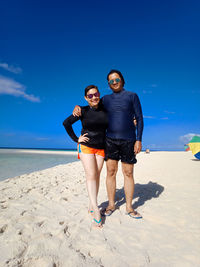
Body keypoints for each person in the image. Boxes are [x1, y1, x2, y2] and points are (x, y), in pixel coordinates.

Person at [73, 70, 143, 219]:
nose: (114, 82)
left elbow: (140, 118)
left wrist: (139, 139)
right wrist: (77, 107)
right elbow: (92, 105)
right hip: (109, 140)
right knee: (111, 172)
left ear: (122, 80)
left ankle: (129, 207)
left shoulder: (132, 96)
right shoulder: (105, 99)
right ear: (109, 84)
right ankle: (111, 204)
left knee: (128, 173)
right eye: (111, 81)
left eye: (116, 79)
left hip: (129, 139)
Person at [63, 85, 108, 228]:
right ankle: (95, 209)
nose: (93, 97)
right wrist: (76, 139)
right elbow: (66, 123)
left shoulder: (105, 109)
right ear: (86, 98)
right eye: (90, 96)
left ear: (99, 94)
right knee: (90, 175)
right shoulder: (82, 110)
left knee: (97, 175)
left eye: (95, 94)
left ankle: (91, 203)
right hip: (86, 146)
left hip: (101, 147)